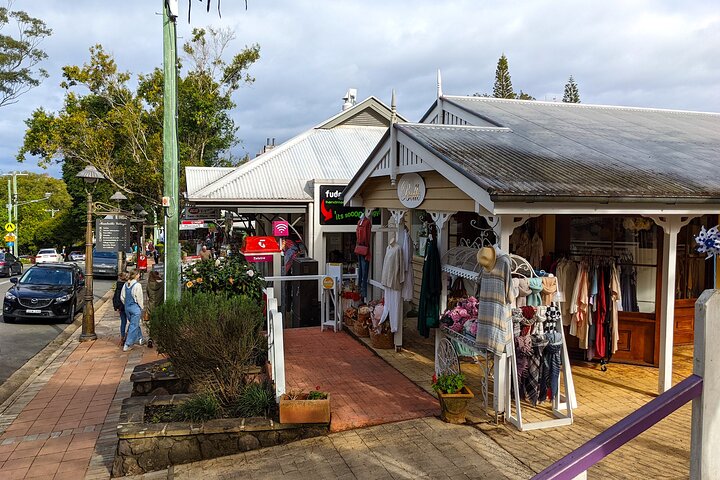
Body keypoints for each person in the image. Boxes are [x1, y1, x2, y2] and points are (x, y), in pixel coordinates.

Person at [121, 270, 145, 351]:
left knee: (134, 323)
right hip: (135, 307)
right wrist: (141, 307)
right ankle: (127, 344)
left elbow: (122, 297)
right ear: (137, 275)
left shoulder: (126, 284)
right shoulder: (137, 285)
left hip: (127, 307)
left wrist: (126, 304)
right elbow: (139, 298)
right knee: (133, 326)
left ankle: (140, 338)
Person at [145, 270, 164, 348]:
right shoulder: (162, 283)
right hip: (160, 305)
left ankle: (151, 338)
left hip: (151, 306)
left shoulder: (149, 284)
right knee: (160, 322)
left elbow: (148, 295)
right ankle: (160, 339)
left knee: (152, 323)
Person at [113, 272, 130, 346]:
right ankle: (127, 335)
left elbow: (115, 297)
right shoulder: (127, 285)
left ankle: (122, 336)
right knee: (132, 321)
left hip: (121, 307)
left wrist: (116, 307)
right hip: (128, 306)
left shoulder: (118, 286)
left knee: (123, 322)